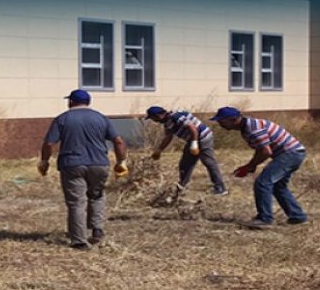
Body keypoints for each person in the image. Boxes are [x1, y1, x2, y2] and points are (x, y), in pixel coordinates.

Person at [38, 89, 128, 249]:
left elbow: (49, 143)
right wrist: (121, 161)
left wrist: (44, 161)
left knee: (76, 203)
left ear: (71, 102)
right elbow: (119, 141)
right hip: (99, 164)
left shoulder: (62, 119)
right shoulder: (101, 118)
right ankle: (97, 230)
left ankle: (79, 241)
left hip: (72, 164)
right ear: (88, 102)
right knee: (97, 196)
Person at [209, 106, 308, 228]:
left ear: (234, 119)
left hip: (290, 154)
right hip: (294, 153)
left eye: (222, 121)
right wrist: (251, 166)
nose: (220, 124)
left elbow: (266, 152)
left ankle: (265, 219)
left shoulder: (253, 129)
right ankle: (297, 216)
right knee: (278, 186)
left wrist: (250, 165)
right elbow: (261, 148)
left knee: (263, 183)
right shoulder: (247, 128)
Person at [144, 106, 227, 196]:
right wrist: (159, 150)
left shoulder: (176, 116)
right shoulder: (168, 123)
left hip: (203, 137)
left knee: (208, 161)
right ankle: (182, 187)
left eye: (153, 118)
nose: (154, 121)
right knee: (185, 164)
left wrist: (194, 144)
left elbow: (192, 127)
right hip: (192, 139)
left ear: (158, 115)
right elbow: (168, 137)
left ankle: (220, 188)